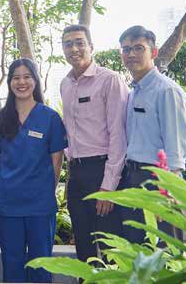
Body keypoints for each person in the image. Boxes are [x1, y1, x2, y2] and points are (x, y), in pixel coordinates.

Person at [0, 58, 67, 283]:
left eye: (27, 77)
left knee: (41, 263)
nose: (22, 82)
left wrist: (40, 188)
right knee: (12, 263)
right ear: (9, 83)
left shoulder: (50, 118)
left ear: (36, 81)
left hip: (40, 205)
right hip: (9, 204)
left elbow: (56, 163)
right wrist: (13, 182)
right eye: (16, 77)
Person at [60, 24, 127, 263]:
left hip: (102, 172)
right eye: (68, 44)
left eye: (79, 42)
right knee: (84, 248)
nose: (74, 48)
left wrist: (108, 186)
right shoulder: (65, 84)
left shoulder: (110, 80)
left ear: (91, 46)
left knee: (111, 248)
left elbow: (118, 136)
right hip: (76, 175)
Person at [118, 25, 186, 243]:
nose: (131, 54)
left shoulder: (167, 91)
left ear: (154, 52)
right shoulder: (133, 93)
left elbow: (176, 149)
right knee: (137, 251)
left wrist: (166, 194)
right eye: (126, 49)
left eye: (138, 48)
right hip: (133, 178)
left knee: (164, 253)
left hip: (158, 181)